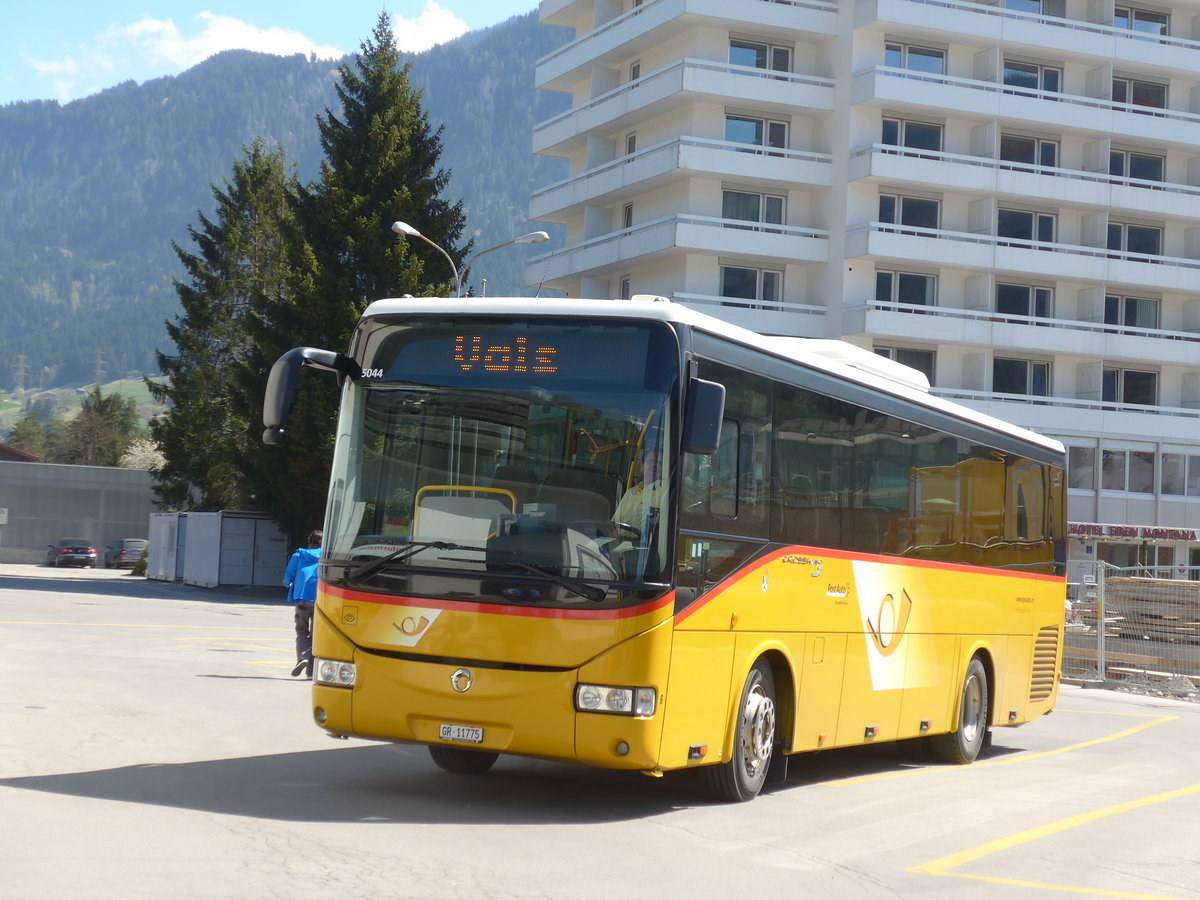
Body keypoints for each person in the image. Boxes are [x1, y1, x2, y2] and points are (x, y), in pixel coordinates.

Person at [284, 529, 322, 678]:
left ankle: (303, 658)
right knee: (316, 635)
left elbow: (288, 575)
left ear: (309, 541)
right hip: (321, 600)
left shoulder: (299, 555)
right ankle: (310, 672)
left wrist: (287, 583)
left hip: (302, 599)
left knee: (301, 631)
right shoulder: (326, 556)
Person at [612, 448, 665, 540]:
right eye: (651, 461)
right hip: (617, 541)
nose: (654, 465)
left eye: (659, 463)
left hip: (640, 547)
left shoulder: (663, 493)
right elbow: (614, 523)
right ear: (641, 467)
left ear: (663, 470)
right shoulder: (630, 492)